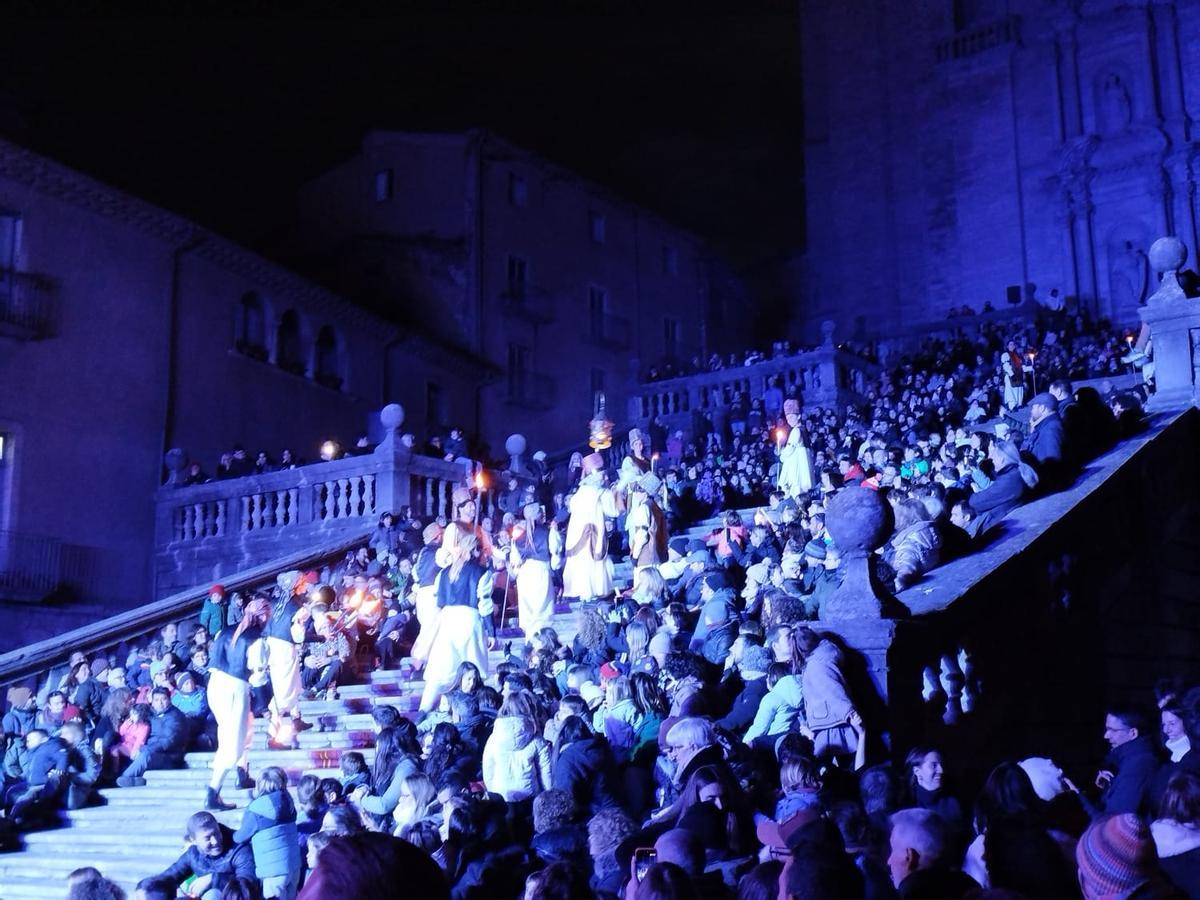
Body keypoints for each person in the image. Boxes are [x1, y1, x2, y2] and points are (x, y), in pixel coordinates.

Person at [417, 533, 495, 713]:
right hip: (470, 621)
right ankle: (476, 713)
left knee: (439, 672)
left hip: (447, 622)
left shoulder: (443, 573)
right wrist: (491, 632)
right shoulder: (482, 573)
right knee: (474, 670)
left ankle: (422, 713)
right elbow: (485, 604)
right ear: (475, 550)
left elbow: (437, 601)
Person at [204, 595, 269, 811]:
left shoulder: (225, 631)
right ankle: (213, 793)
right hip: (235, 687)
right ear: (263, 615)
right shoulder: (256, 639)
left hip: (215, 685)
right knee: (232, 742)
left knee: (244, 728)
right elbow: (258, 674)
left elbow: (214, 660)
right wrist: (264, 702)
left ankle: (242, 773)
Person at [152, 812, 256, 900]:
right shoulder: (193, 854)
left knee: (212, 895)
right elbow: (168, 877)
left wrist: (214, 879)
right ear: (193, 840)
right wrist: (147, 889)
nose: (215, 841)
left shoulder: (239, 848)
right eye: (207, 838)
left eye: (216, 833)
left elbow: (248, 886)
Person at [232, 766, 301, 900]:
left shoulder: (256, 810)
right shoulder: (289, 803)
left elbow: (240, 837)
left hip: (272, 871)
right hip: (293, 865)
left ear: (259, 785)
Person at [562, 453, 619, 603]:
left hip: (577, 536)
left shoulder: (579, 493)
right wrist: (617, 490)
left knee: (582, 562)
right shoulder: (600, 492)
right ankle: (592, 592)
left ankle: (585, 593)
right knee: (592, 562)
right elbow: (613, 511)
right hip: (592, 533)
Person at [886, 808, 977, 898]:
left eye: (892, 850)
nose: (888, 861)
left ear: (909, 856)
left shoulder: (905, 896)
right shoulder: (974, 890)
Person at [115, 687, 188, 787]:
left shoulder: (175, 716)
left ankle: (125, 777)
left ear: (169, 700)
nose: (160, 703)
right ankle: (131, 779)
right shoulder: (150, 713)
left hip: (169, 756)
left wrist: (144, 748)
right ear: (152, 701)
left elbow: (168, 741)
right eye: (157, 700)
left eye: (163, 699)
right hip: (148, 749)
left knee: (146, 754)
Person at [509, 502, 559, 637]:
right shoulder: (548, 532)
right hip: (540, 571)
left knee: (528, 611)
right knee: (542, 610)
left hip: (524, 574)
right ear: (539, 515)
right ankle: (543, 641)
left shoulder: (518, 538)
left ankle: (530, 640)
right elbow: (556, 553)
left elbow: (514, 560)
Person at [777, 399, 814, 499]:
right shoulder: (802, 430)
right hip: (800, 464)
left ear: (798, 416)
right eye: (787, 418)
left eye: (791, 417)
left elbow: (789, 449)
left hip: (797, 465)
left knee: (796, 490)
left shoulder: (797, 430)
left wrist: (781, 455)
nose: (789, 420)